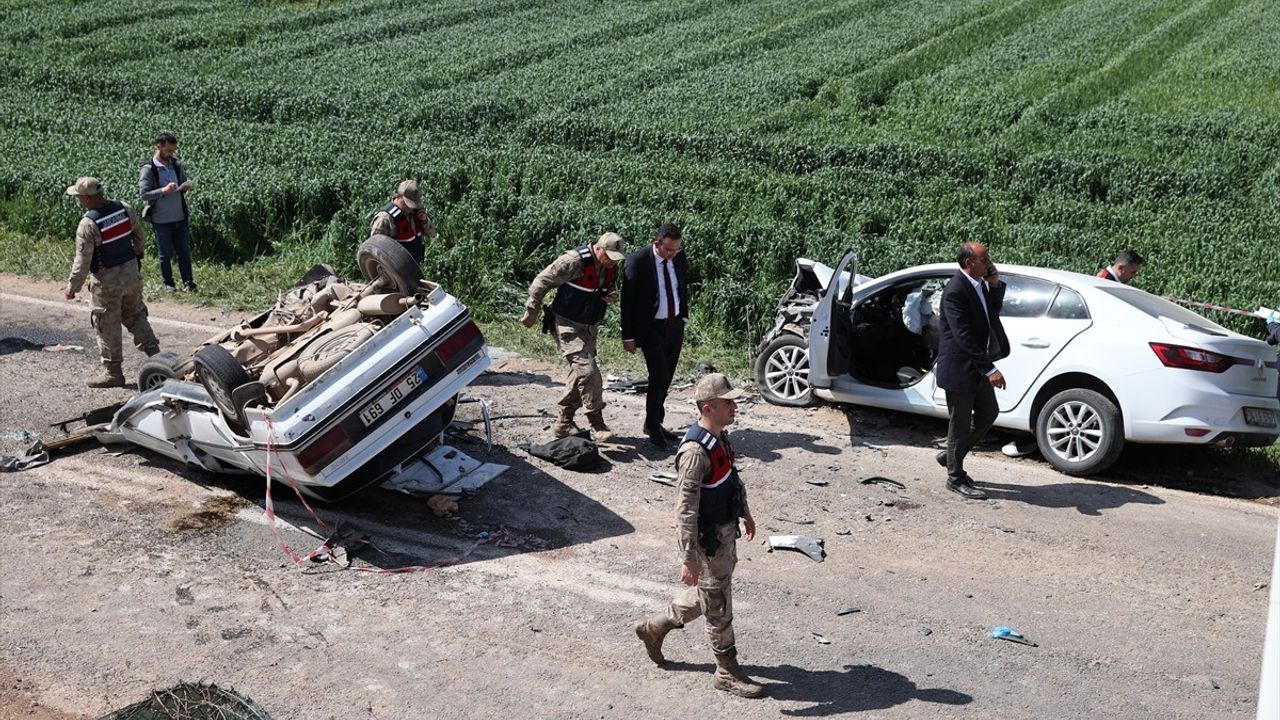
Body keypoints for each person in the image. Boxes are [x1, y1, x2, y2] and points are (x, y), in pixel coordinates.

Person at [633, 373, 764, 698]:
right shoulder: (694, 452)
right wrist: (688, 557)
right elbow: (685, 510)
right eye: (728, 402)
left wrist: (744, 512)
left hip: (724, 535)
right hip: (708, 542)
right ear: (708, 408)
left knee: (712, 594)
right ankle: (726, 672)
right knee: (718, 606)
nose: (735, 406)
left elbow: (731, 479)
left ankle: (656, 627)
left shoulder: (719, 437)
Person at [520, 233, 626, 443]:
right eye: (609, 256)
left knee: (578, 375)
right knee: (588, 371)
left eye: (616, 258)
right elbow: (542, 281)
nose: (612, 261)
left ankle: (564, 422)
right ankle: (597, 423)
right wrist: (532, 311)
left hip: (589, 327)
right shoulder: (574, 261)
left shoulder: (610, 265)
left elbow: (605, 287)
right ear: (598, 248)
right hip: (566, 325)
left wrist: (609, 294)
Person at [63, 177, 161, 387]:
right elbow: (139, 236)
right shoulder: (124, 209)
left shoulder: (88, 224)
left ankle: (113, 374)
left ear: (87, 198)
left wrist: (72, 287)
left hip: (107, 283)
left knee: (106, 325)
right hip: (131, 274)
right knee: (136, 316)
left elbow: (83, 260)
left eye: (80, 197)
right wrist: (135, 256)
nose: (79, 200)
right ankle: (158, 359)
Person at [934, 242, 1009, 499]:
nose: (989, 262)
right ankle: (955, 477)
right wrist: (989, 369)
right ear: (969, 263)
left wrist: (995, 283)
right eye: (984, 258)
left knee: (989, 413)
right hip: (960, 368)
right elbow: (962, 336)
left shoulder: (978, 285)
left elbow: (991, 315)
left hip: (975, 366)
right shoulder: (955, 291)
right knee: (960, 424)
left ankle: (951, 456)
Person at [622, 223, 689, 449]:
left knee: (667, 376)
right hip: (650, 329)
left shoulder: (678, 258)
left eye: (676, 250)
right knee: (658, 376)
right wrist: (628, 336)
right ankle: (652, 425)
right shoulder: (637, 261)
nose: (673, 254)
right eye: (669, 250)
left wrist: (684, 316)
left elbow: (682, 287)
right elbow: (627, 302)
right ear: (657, 243)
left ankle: (656, 422)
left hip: (674, 326)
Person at [138, 131, 196, 292]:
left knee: (184, 252)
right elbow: (144, 194)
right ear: (158, 147)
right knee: (165, 254)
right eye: (168, 150)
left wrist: (185, 186)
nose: (171, 154)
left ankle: (189, 283)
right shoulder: (149, 169)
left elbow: (183, 181)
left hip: (179, 216)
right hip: (161, 219)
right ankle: (168, 284)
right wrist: (163, 190)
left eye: (173, 150)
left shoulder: (176, 165)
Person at [370, 180, 437, 264]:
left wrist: (424, 220)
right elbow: (375, 250)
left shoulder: (416, 213)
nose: (411, 207)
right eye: (408, 203)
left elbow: (432, 234)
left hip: (414, 268)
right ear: (398, 196)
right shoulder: (385, 219)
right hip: (395, 271)